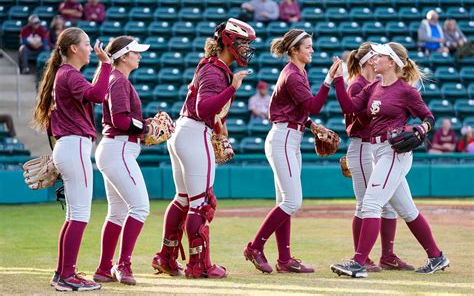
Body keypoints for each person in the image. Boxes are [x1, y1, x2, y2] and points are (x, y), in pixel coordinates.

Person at [330, 42, 449, 278]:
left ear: (392, 62)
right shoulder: (374, 86)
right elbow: (349, 107)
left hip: (395, 151)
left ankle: (359, 263)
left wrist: (420, 129)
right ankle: (437, 256)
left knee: (372, 204)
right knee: (408, 210)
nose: (374, 59)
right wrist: (337, 80)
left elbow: (428, 116)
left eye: (379, 56)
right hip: (377, 151)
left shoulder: (406, 90)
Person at [151, 18, 255, 279]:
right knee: (202, 204)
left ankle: (166, 256)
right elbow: (203, 108)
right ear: (229, 41)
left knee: (183, 200)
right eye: (243, 42)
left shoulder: (212, 67)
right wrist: (232, 88)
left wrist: (219, 126)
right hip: (194, 132)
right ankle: (199, 265)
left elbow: (205, 110)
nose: (246, 48)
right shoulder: (215, 70)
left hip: (185, 132)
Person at [243, 29, 343, 274]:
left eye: (311, 46)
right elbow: (315, 105)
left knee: (284, 202)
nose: (312, 50)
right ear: (294, 50)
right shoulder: (293, 75)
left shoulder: (298, 72)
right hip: (283, 139)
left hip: (290, 136)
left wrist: (310, 125)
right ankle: (255, 247)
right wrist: (329, 79)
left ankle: (285, 260)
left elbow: (299, 110)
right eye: (307, 47)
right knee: (292, 201)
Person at [31, 27, 112, 291]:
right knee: (79, 215)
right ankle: (67, 276)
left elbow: (91, 93)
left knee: (74, 216)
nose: (91, 48)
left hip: (68, 146)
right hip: (74, 146)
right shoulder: (69, 74)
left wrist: (102, 67)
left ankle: (62, 273)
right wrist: (107, 65)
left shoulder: (63, 74)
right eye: (87, 44)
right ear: (74, 49)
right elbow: (99, 96)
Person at [344, 42, 414, 272]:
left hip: (377, 148)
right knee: (366, 204)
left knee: (386, 206)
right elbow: (354, 118)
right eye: (373, 57)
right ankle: (363, 258)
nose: (376, 60)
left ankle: (387, 255)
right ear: (366, 61)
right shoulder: (359, 85)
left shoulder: (376, 84)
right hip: (362, 145)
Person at [92, 36, 151, 285]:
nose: (139, 55)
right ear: (124, 56)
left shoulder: (118, 79)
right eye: (135, 52)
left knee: (117, 213)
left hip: (115, 149)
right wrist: (145, 127)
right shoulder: (118, 80)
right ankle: (122, 265)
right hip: (119, 148)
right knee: (140, 207)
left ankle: (104, 268)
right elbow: (121, 121)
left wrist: (141, 127)